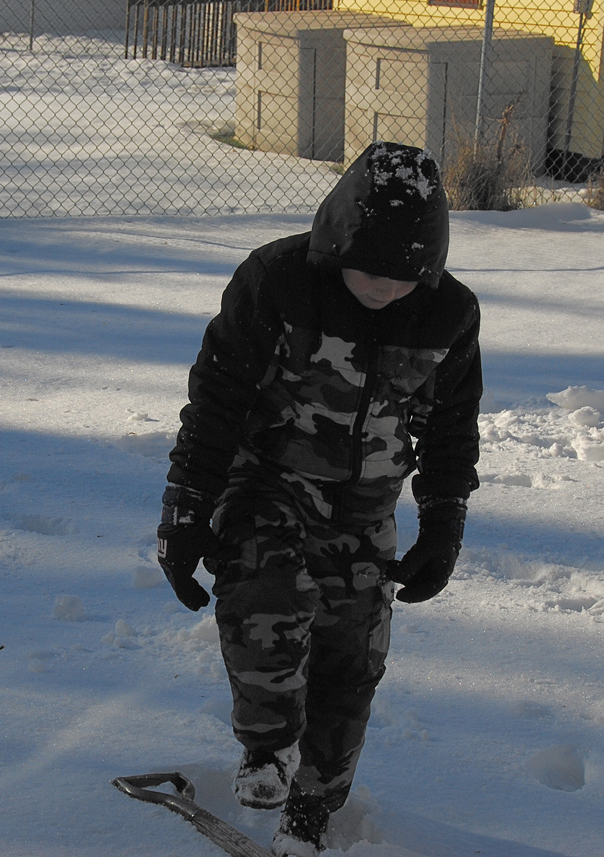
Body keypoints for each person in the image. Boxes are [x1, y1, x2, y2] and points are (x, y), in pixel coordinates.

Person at [157, 141, 482, 857]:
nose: (383, 289)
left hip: (366, 509)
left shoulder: (447, 316)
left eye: (404, 278)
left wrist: (443, 522)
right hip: (267, 482)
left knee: (352, 661)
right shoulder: (278, 281)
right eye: (369, 269)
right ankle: (268, 751)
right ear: (337, 238)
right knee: (267, 586)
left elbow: (453, 429)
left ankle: (312, 811)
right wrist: (185, 509)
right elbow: (215, 400)